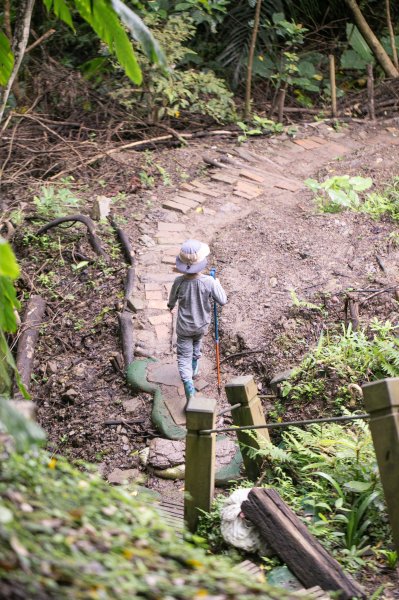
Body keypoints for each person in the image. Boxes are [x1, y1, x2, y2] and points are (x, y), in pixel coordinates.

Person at [168, 239, 227, 404]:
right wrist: (217, 284)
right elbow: (222, 300)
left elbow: (171, 301)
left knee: (183, 356)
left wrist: (170, 306)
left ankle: (189, 386)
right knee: (196, 345)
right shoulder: (209, 281)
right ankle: (194, 368)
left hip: (184, 328)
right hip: (201, 326)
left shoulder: (179, 282)